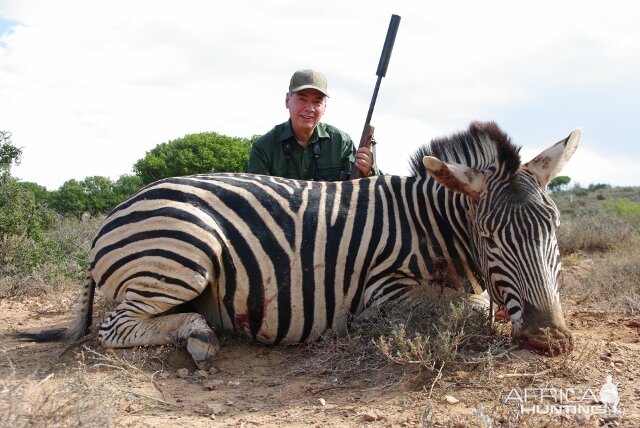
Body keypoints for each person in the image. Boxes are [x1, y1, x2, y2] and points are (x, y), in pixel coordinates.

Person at [246, 69, 378, 181]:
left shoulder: (342, 143)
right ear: (287, 100)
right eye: (302, 99)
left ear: (325, 107)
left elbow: (362, 192)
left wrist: (368, 171)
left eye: (317, 102)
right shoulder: (264, 147)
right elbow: (255, 196)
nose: (310, 108)